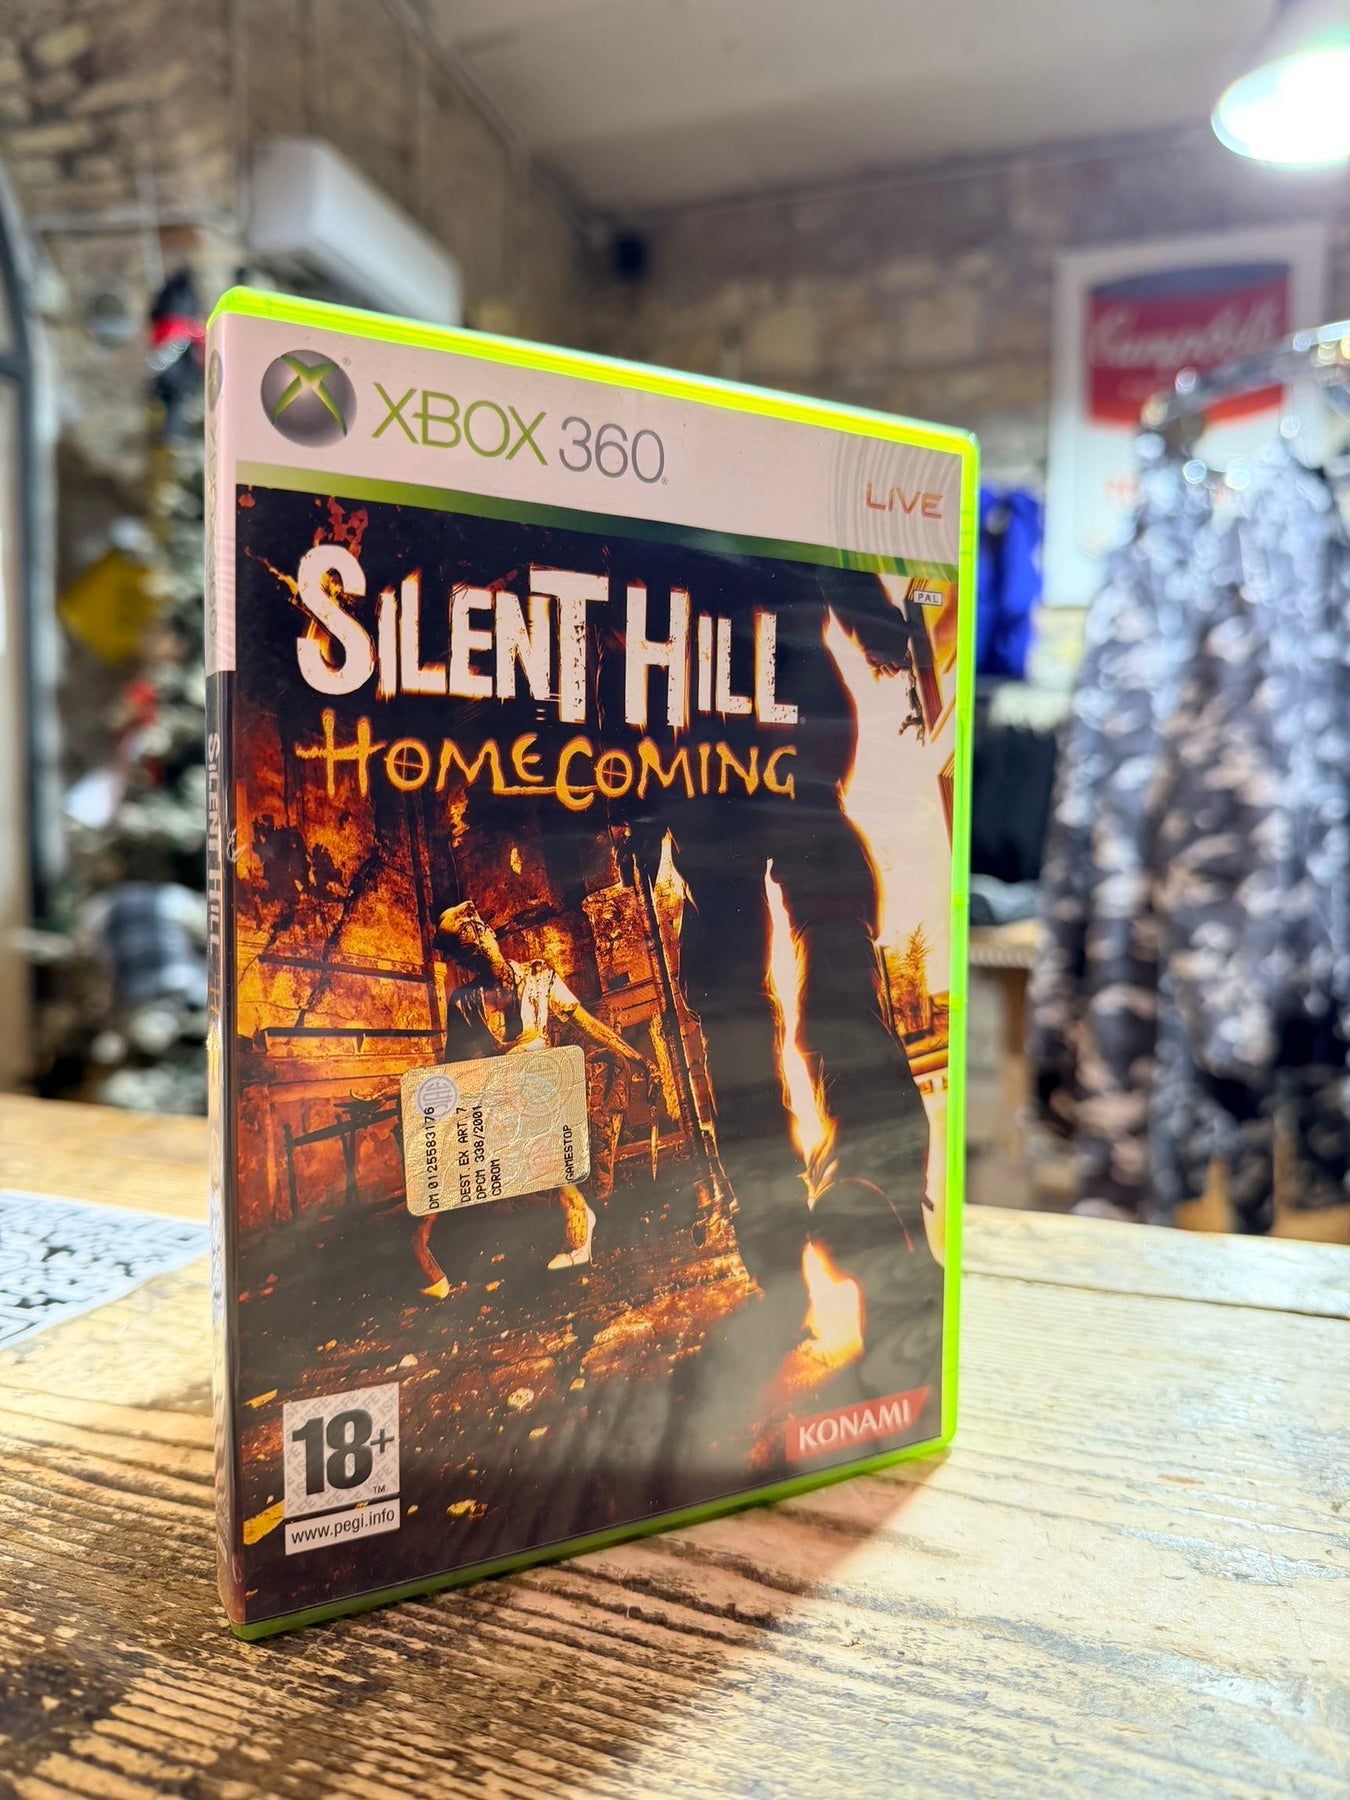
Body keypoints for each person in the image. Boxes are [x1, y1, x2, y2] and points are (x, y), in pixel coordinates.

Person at [412, 900, 653, 1296]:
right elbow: (456, 1067)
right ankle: (422, 1246)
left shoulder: (540, 976)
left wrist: (637, 1058)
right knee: (444, 1132)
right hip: (502, 1090)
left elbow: (586, 1022)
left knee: (529, 1104)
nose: (477, 949)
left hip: (547, 1082)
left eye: (476, 937)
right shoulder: (464, 1001)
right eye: (465, 949)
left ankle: (576, 1215)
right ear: (463, 958)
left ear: (488, 933)